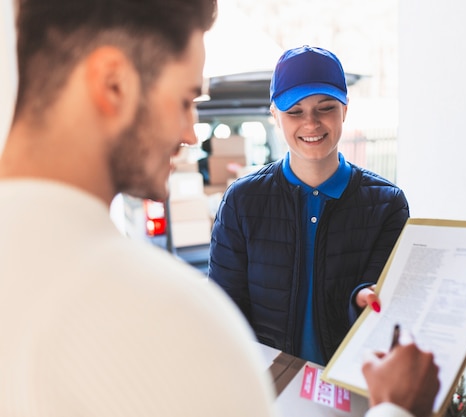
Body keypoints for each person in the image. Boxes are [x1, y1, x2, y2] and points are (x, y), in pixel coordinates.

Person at [0, 1, 439, 416]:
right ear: (113, 85)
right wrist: (396, 407)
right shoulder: (151, 311)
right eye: (185, 99)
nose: (192, 133)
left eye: (325, 108)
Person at [208, 45, 410, 365]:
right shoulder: (241, 202)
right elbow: (224, 314)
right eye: (295, 112)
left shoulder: (387, 205)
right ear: (275, 115)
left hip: (350, 391)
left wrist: (364, 302)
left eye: (325, 107)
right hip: (269, 392)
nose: (311, 123)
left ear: (344, 110)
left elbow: (383, 309)